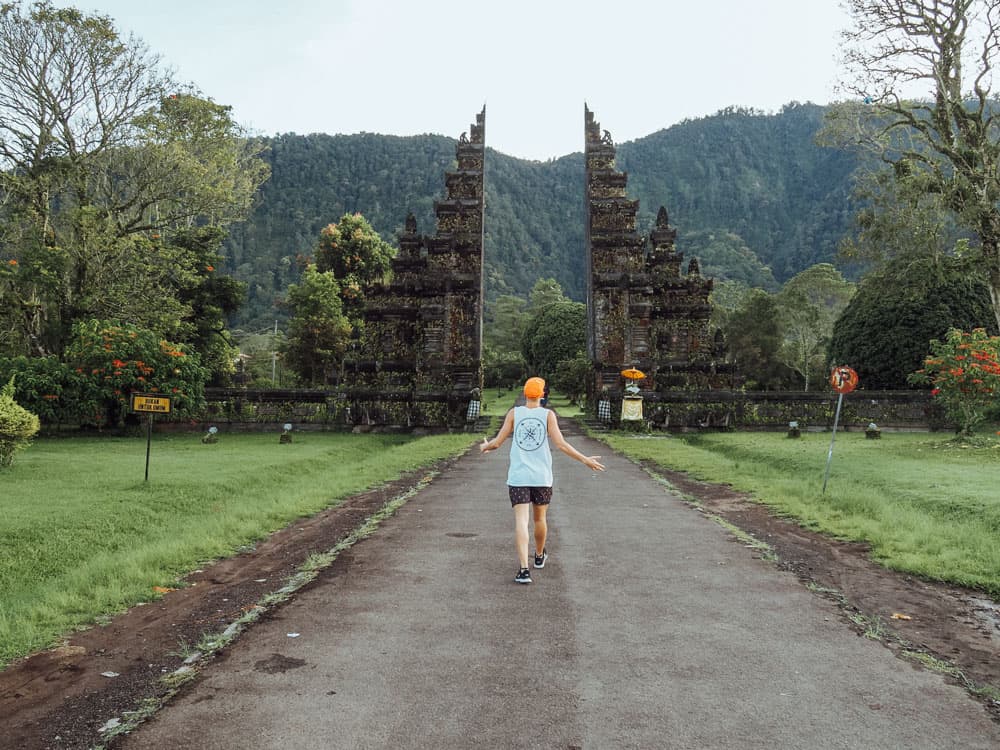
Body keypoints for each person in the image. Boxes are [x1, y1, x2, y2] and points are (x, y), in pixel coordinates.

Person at [480, 376, 605, 584]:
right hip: (541, 477)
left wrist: (485, 446)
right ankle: (539, 556)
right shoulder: (548, 415)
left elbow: (497, 442)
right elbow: (561, 444)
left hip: (519, 476)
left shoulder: (514, 413)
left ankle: (523, 570)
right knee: (539, 519)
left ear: (525, 393)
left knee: (521, 521)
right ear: (542, 394)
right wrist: (585, 459)